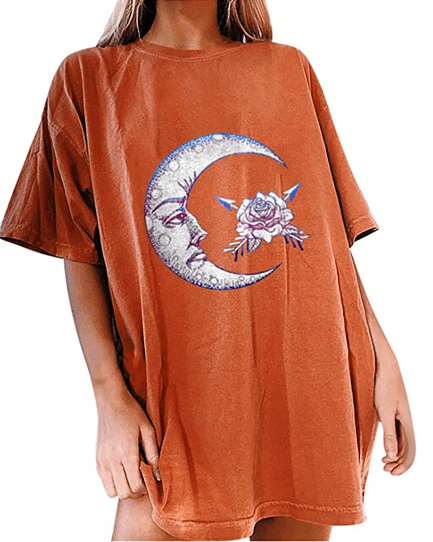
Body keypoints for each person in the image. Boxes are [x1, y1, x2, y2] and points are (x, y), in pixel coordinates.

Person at [0, 0, 416, 540]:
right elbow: (77, 246)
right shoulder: (88, 78)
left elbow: (323, 240)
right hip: (173, 399)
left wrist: (385, 361)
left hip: (310, 385)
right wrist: (109, 397)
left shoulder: (287, 69)